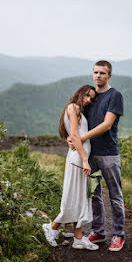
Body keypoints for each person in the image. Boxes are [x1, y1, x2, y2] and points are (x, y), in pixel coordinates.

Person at [68, 60, 125, 252]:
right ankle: (98, 231)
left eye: (102, 73)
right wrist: (71, 137)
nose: (98, 75)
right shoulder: (90, 97)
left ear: (109, 75)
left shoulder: (114, 96)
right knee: (94, 195)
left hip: (109, 153)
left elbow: (107, 124)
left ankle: (118, 234)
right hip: (91, 153)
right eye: (95, 72)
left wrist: (81, 137)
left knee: (115, 195)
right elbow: (77, 120)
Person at [42, 85, 99, 250]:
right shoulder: (73, 107)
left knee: (78, 198)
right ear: (80, 93)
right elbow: (75, 135)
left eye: (91, 98)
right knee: (72, 197)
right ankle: (52, 227)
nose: (88, 100)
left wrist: (73, 140)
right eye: (87, 95)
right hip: (78, 160)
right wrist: (85, 160)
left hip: (78, 158)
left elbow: (73, 135)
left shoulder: (77, 110)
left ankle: (78, 237)